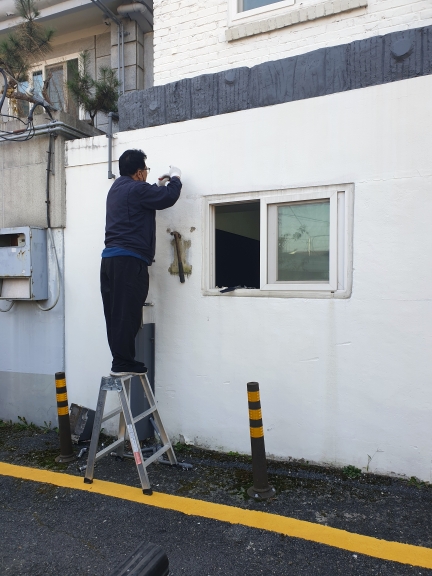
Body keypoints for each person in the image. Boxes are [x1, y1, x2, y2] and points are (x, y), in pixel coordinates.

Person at [100, 149, 182, 376]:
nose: (146, 173)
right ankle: (123, 363)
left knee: (115, 313)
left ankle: (121, 359)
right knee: (128, 311)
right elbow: (168, 197)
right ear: (138, 172)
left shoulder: (116, 189)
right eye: (146, 170)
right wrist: (175, 177)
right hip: (129, 261)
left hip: (110, 261)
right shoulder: (137, 189)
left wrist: (155, 186)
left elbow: (143, 198)